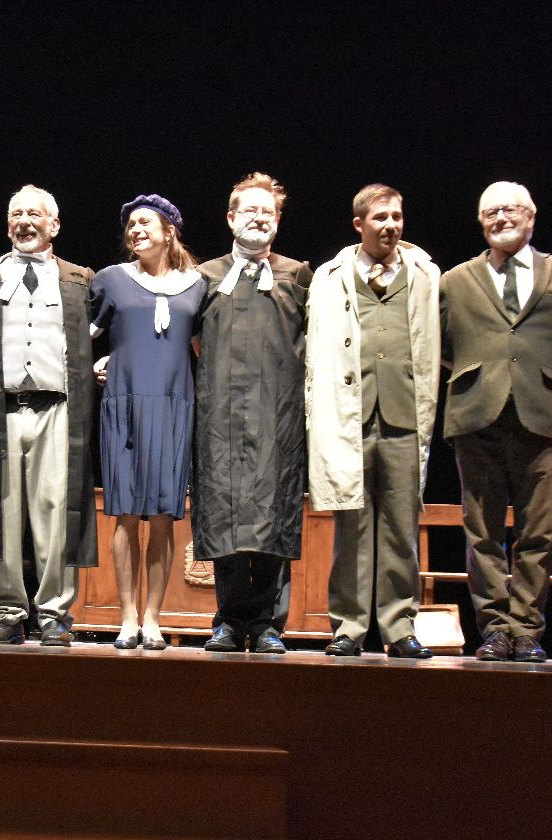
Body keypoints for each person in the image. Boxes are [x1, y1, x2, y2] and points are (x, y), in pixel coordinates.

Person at [440, 181, 552, 662]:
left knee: (537, 531)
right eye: (491, 212)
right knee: (481, 532)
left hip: (540, 413)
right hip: (476, 414)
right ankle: (495, 629)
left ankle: (527, 630)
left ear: (531, 215)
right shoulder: (456, 280)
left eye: (510, 209)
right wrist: (474, 373)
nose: (501, 218)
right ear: (480, 221)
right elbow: (436, 343)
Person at [0, 185, 97, 646]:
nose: (25, 222)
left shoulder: (78, 280)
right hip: (2, 409)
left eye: (35, 214)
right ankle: (8, 612)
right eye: (16, 214)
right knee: (2, 512)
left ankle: (53, 613)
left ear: (54, 225)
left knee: (56, 511)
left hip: (57, 408)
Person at [307, 184, 441, 659]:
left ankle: (399, 625)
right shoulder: (330, 277)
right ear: (359, 224)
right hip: (352, 418)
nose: (391, 225)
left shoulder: (425, 274)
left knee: (402, 528)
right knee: (353, 529)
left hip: (403, 417)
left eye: (397, 217)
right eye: (380, 217)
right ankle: (349, 625)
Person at [194, 173, 312, 655]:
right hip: (220, 413)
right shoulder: (203, 278)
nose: (259, 217)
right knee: (222, 510)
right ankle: (227, 619)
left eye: (268, 212)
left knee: (272, 511)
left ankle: (266, 622)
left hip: (276, 413)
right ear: (230, 217)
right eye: (250, 210)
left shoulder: (296, 275)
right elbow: (190, 340)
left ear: (278, 220)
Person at [91, 194, 205, 650]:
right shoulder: (111, 281)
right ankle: (126, 618)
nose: (136, 230)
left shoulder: (196, 286)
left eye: (145, 223)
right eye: (131, 225)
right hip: (123, 402)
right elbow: (85, 337)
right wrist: (96, 364)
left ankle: (153, 619)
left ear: (168, 231)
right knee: (125, 514)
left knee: (161, 516)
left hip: (174, 403)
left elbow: (202, 348)